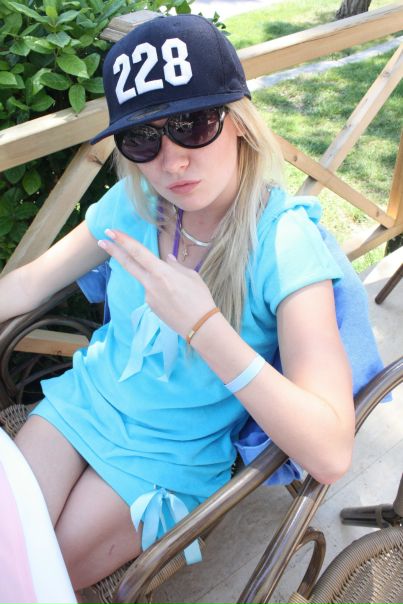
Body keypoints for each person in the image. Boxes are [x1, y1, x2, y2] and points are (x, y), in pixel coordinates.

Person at [0, 13, 355, 595]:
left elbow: (332, 451)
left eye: (193, 124)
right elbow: (30, 284)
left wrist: (204, 325)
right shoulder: (137, 199)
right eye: (142, 137)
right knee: (7, 550)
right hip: (82, 404)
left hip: (170, 455)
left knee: (35, 576)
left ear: (238, 121)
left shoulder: (284, 243)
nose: (171, 162)